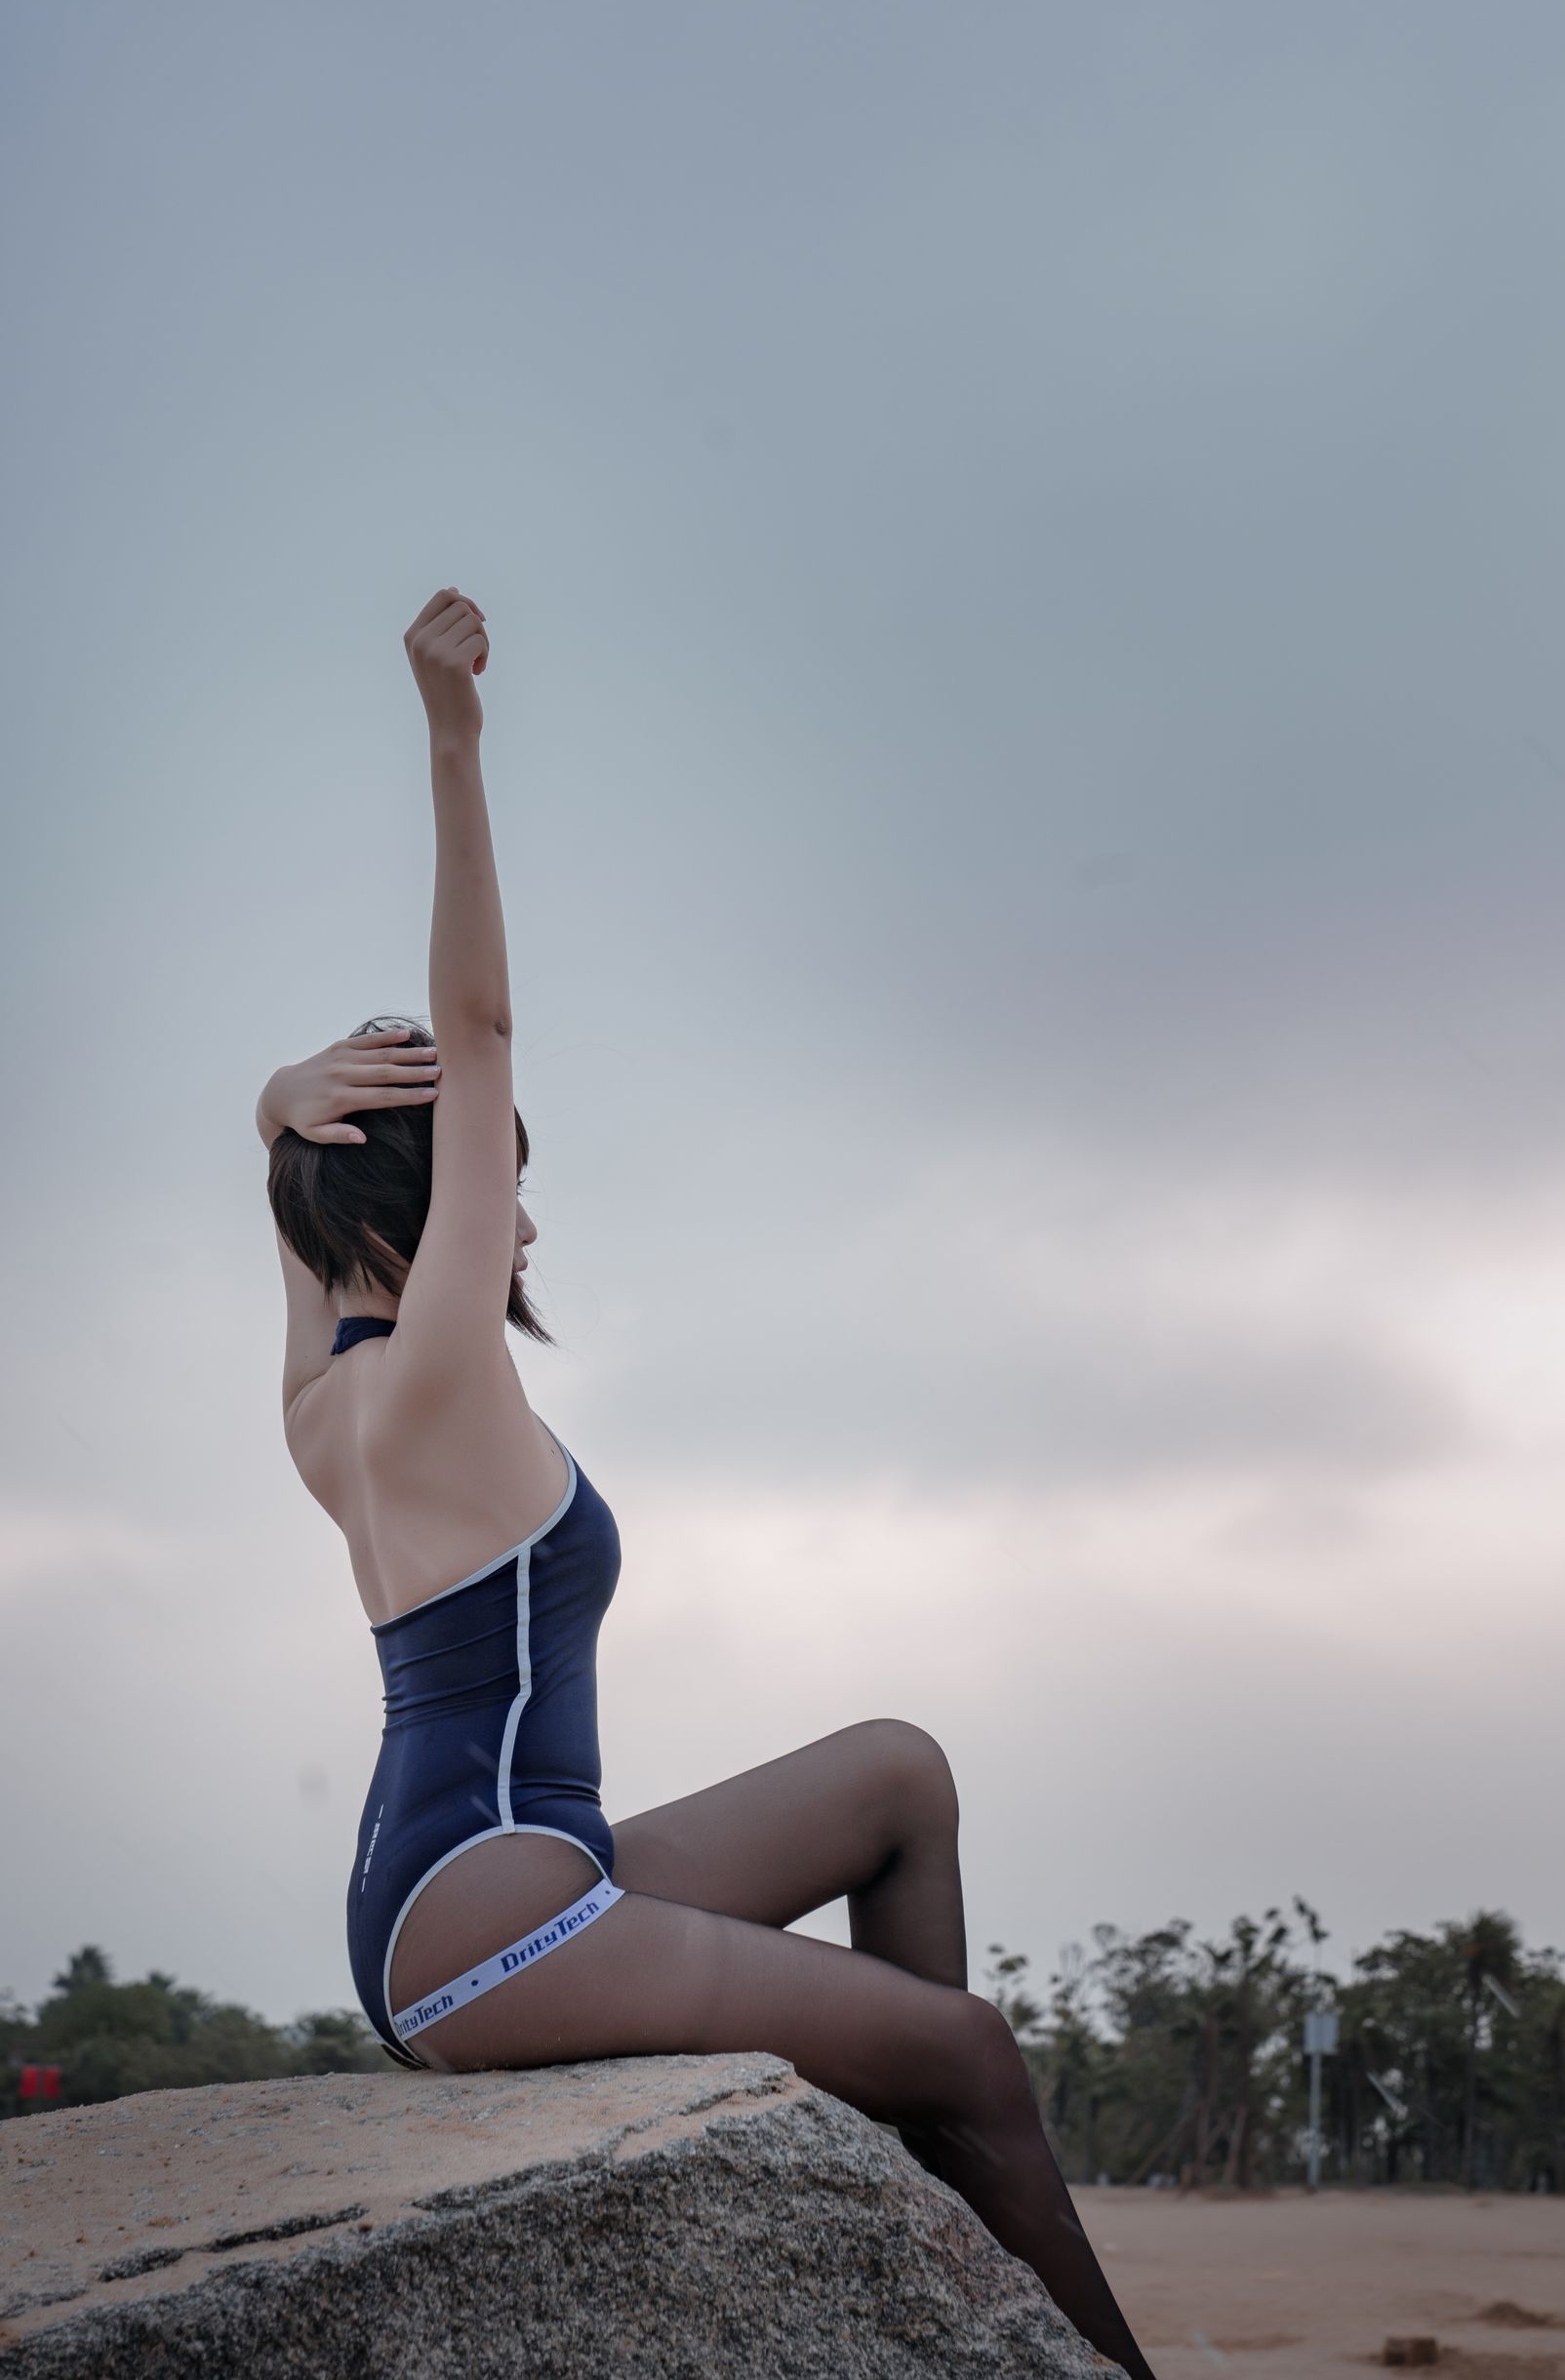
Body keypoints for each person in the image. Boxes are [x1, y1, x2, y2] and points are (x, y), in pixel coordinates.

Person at [258, 587, 1154, 2376]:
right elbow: (484, 1022)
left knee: (900, 1772)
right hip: (495, 1923)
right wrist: (454, 736)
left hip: (483, 1877)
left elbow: (300, 1215)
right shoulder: (438, 1374)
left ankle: (917, 2204)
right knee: (970, 2050)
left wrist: (269, 1107)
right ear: (427, 1208)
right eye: (503, 1176)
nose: (524, 1208)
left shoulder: (326, 1396)